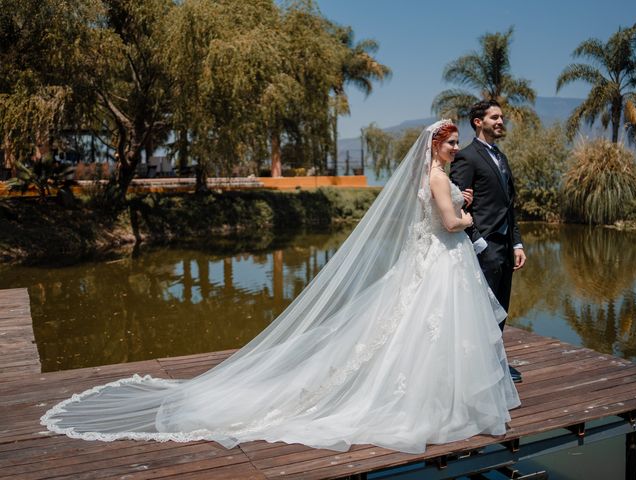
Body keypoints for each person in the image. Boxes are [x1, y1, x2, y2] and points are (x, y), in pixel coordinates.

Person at [41, 120, 520, 455]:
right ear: (434, 147)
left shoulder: (433, 175)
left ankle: (431, 393)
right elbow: (450, 222)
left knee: (418, 329)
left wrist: (462, 204)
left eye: (457, 143)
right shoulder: (439, 178)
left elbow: (439, 211)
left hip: (435, 261)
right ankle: (433, 400)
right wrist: (468, 214)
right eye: (450, 142)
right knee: (426, 329)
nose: (455, 149)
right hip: (441, 259)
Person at [450, 100, 527, 383]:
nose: (500, 121)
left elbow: (510, 206)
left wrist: (517, 244)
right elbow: (458, 205)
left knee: (500, 308)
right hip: (483, 247)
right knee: (481, 309)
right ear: (477, 122)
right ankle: (478, 368)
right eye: (495, 117)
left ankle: (495, 362)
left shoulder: (501, 158)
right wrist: (477, 242)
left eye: (502, 117)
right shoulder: (466, 157)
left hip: (506, 247)